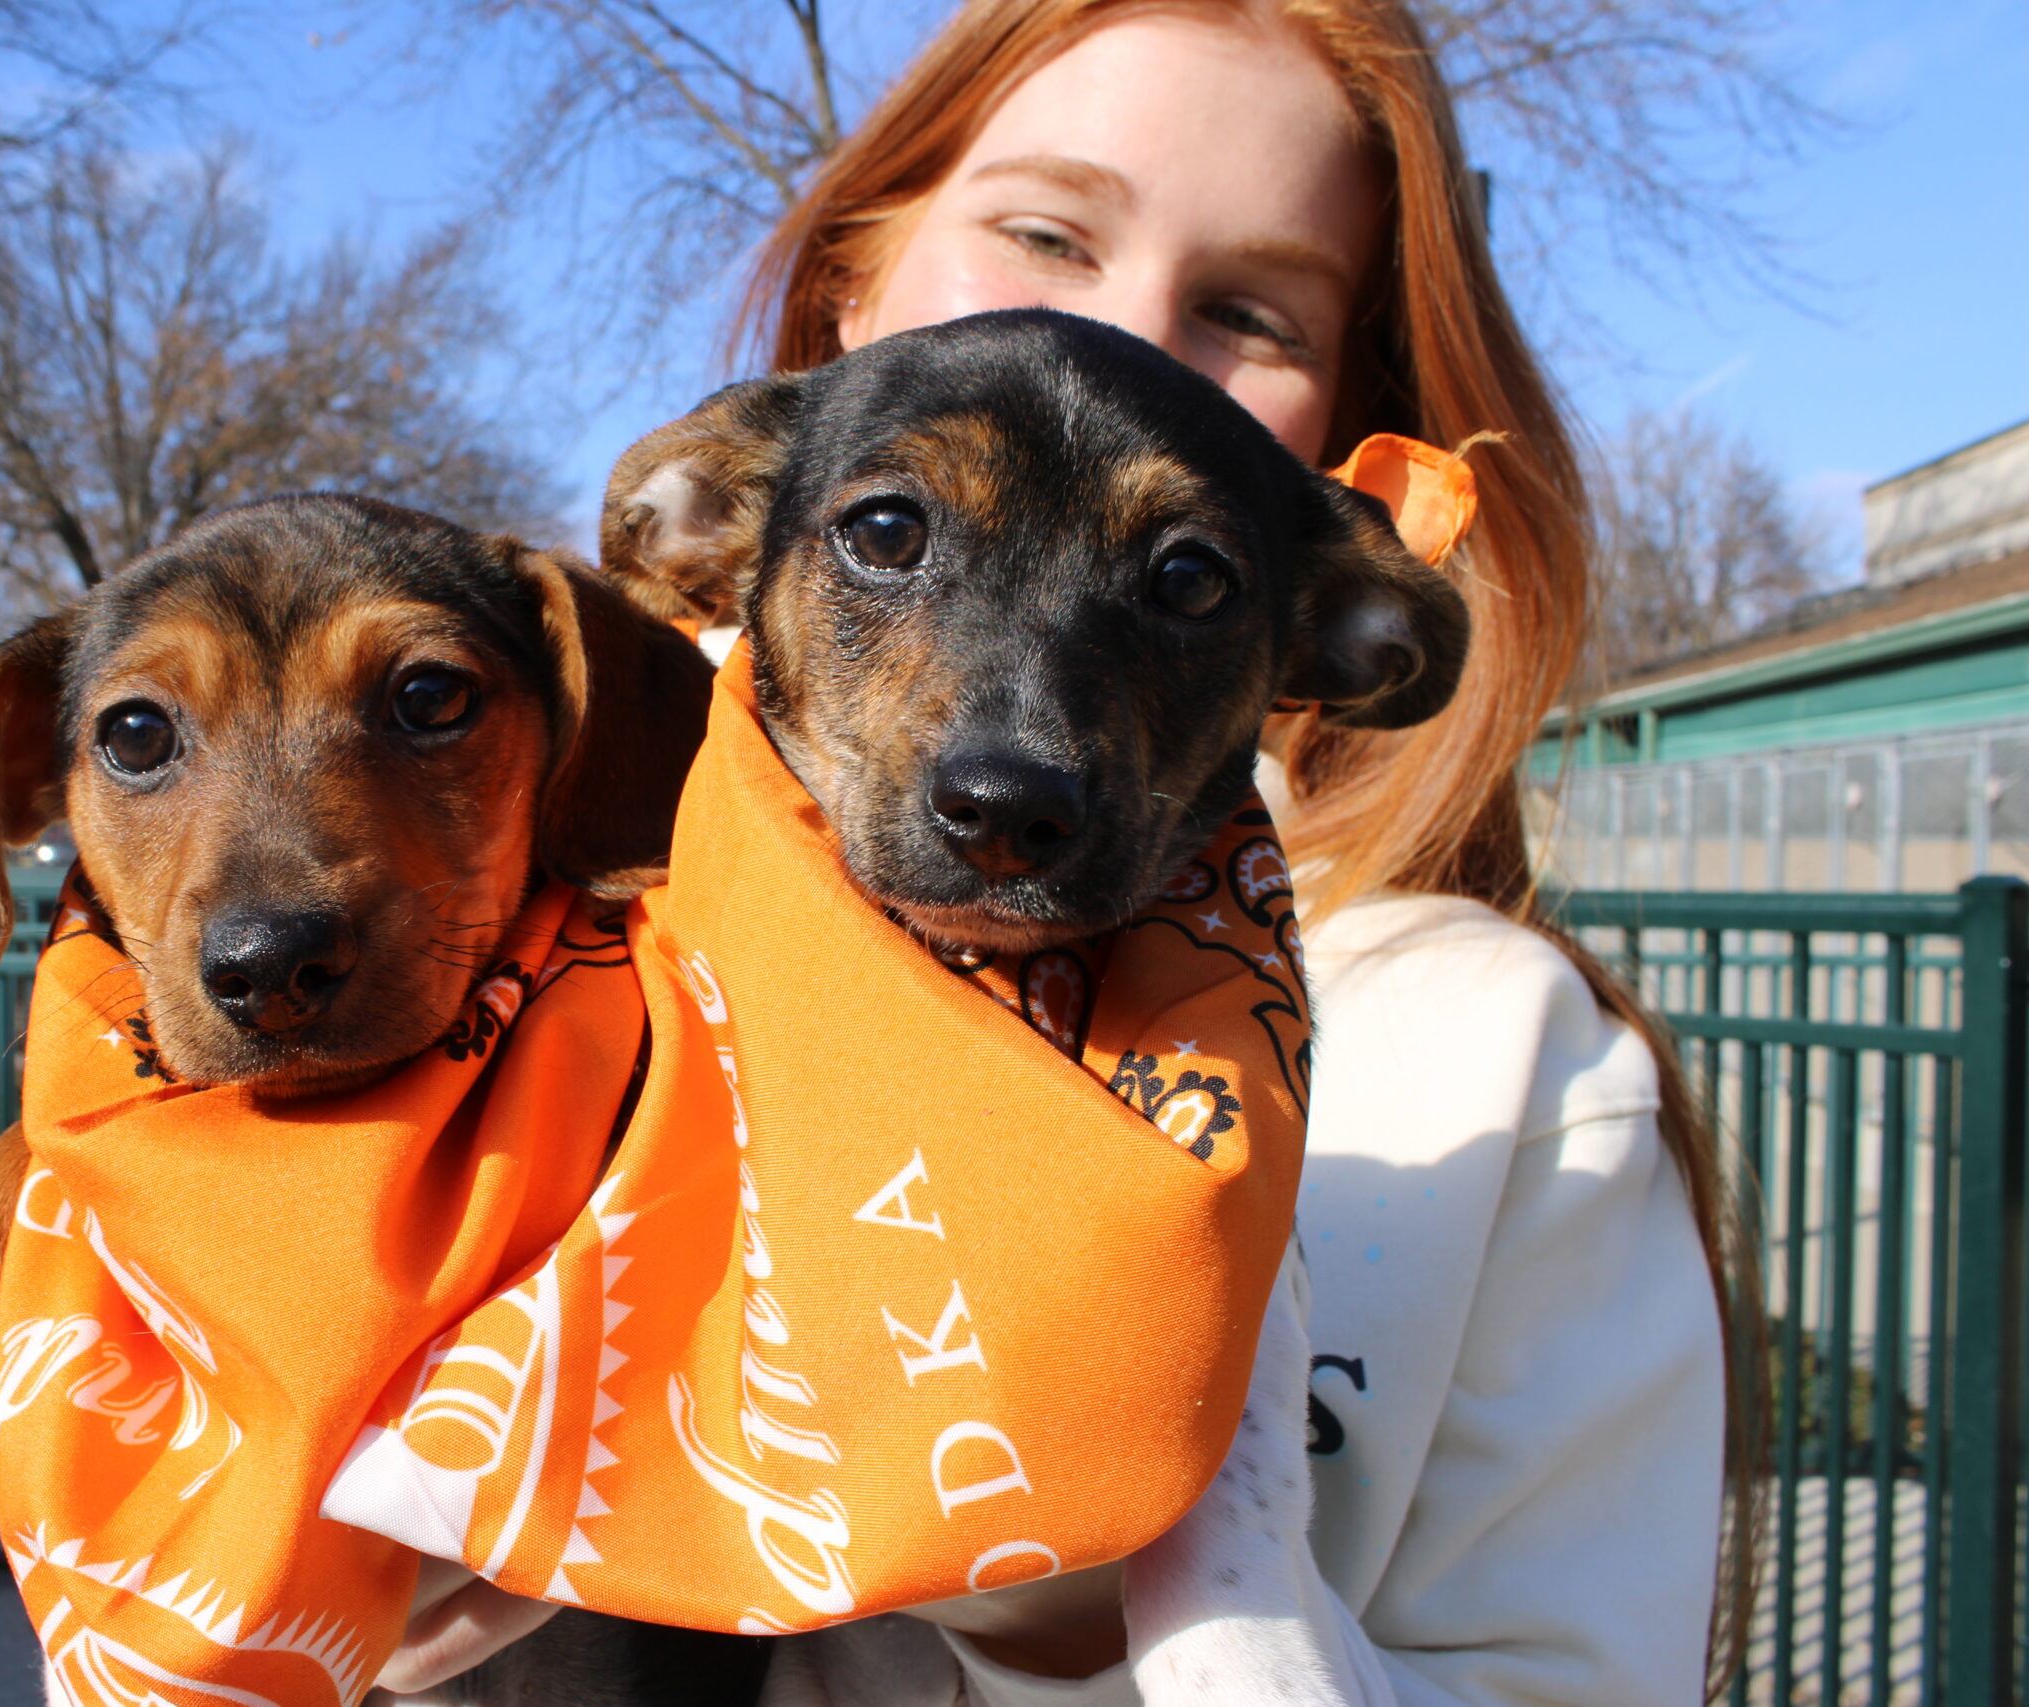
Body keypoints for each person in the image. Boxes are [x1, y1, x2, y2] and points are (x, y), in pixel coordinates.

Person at [390, 3, 1759, 1702]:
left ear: (1326, 565)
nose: (1112, 336)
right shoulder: (551, 909)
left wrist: (1081, 1603)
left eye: (1250, 312)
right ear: (849, 288)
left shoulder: (1487, 1070)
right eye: (1044, 230)